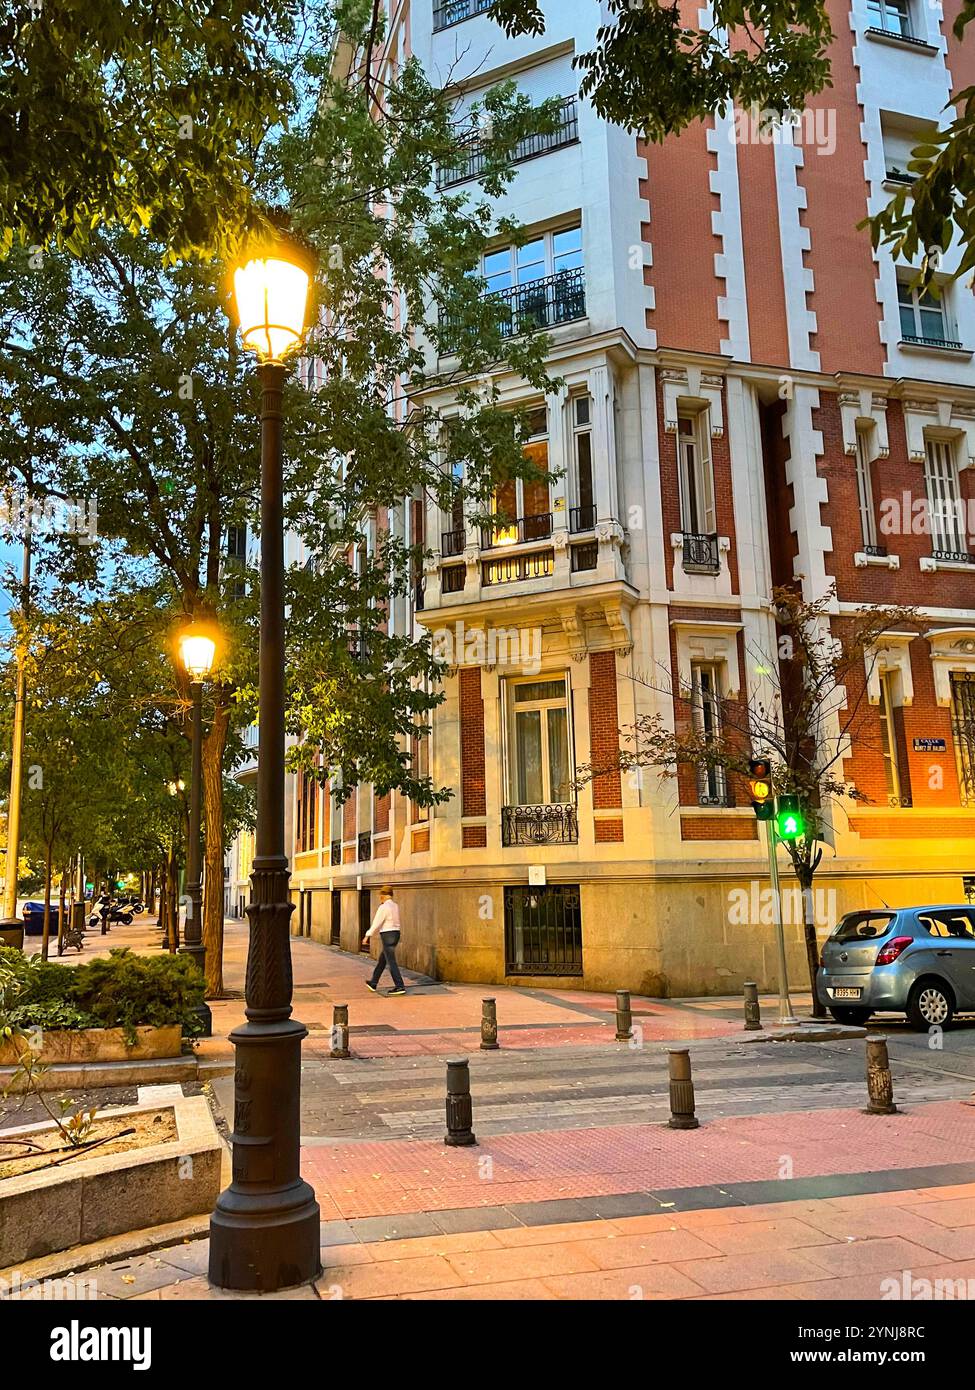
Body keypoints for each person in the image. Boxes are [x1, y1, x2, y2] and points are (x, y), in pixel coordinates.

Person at [364, 886, 407, 996]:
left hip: (387, 934)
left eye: (380, 896)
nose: (380, 898)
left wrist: (367, 935)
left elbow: (376, 923)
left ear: (382, 895)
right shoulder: (395, 906)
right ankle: (373, 982)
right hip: (396, 933)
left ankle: (399, 986)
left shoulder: (383, 907)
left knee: (391, 961)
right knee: (383, 959)